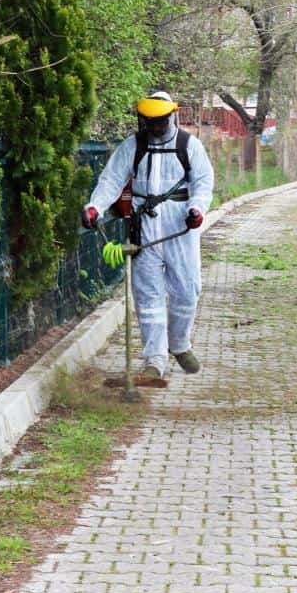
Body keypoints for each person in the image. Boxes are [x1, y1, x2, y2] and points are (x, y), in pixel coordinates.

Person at [81, 91, 214, 379]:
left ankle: (179, 344)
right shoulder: (133, 146)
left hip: (179, 227)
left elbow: (203, 184)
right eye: (149, 122)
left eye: (160, 122)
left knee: (187, 292)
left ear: (172, 117)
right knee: (148, 297)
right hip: (143, 228)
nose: (154, 128)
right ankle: (154, 361)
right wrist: (94, 207)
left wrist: (196, 210)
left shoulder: (189, 146)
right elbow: (111, 180)